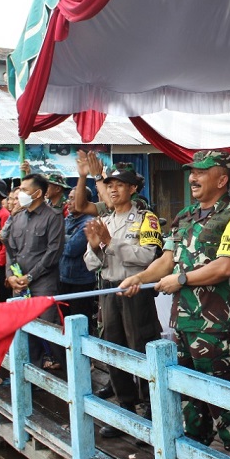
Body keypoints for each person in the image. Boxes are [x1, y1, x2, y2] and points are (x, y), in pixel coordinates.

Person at [118, 150, 230, 459]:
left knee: (225, 401)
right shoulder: (186, 216)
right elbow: (165, 261)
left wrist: (181, 280)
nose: (193, 177)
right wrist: (139, 277)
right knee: (190, 405)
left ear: (221, 179)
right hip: (185, 324)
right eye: (191, 172)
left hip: (218, 327)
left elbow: (226, 267)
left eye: (201, 172)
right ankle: (194, 456)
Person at [83, 168, 164, 436]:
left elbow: (147, 257)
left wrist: (110, 242)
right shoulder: (104, 219)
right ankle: (126, 406)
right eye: (110, 185)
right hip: (108, 289)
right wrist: (96, 246)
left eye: (120, 185)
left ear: (133, 189)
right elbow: (91, 263)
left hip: (136, 290)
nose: (114, 189)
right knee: (113, 346)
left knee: (141, 345)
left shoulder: (146, 219)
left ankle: (152, 411)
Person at [4, 173, 65, 367]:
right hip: (19, 284)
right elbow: (10, 250)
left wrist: (30, 276)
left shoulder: (53, 217)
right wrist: (11, 276)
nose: (19, 193)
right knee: (24, 329)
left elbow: (53, 252)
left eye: (24, 190)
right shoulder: (18, 218)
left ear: (38, 193)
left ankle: (68, 372)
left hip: (43, 283)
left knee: (50, 328)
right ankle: (34, 372)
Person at [58, 187, 96, 331]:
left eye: (74, 198)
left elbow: (71, 249)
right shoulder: (68, 219)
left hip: (81, 281)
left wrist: (60, 240)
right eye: (69, 198)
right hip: (63, 278)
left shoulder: (89, 222)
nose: (69, 202)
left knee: (80, 323)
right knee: (64, 322)